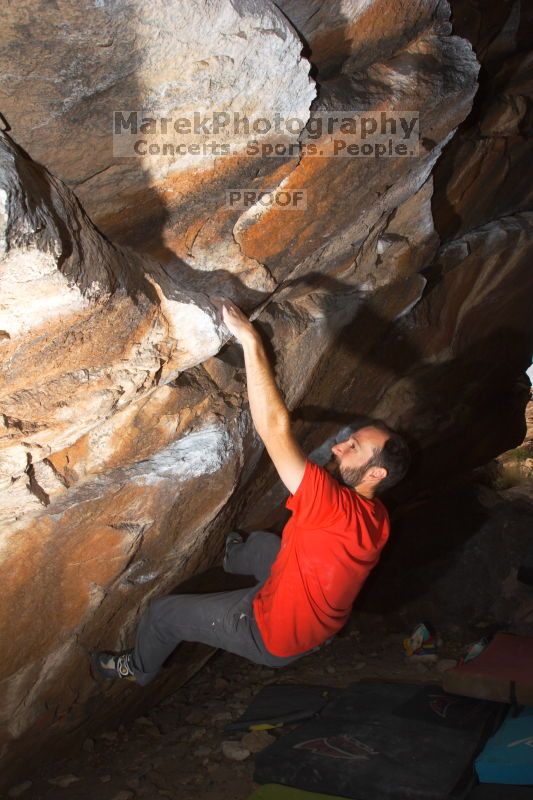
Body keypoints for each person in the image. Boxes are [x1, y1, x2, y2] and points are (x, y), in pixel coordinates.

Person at [91, 299, 410, 683]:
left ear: (375, 472)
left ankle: (135, 668)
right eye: (349, 439)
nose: (339, 446)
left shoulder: (332, 507)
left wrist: (251, 341)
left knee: (162, 614)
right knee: (260, 546)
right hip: (316, 624)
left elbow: (274, 428)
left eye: (352, 448)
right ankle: (231, 557)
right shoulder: (378, 518)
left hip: (269, 633)